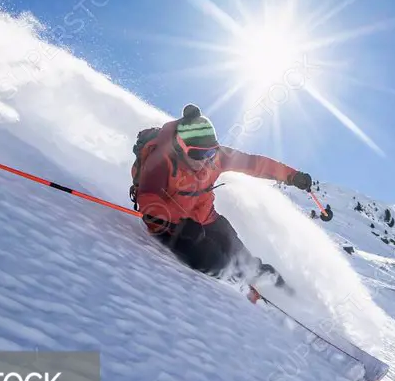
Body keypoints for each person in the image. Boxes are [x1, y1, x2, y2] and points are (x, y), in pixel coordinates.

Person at [130, 104, 313, 293]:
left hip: (205, 217)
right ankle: (241, 295)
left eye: (210, 152)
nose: (205, 159)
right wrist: (179, 223)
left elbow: (255, 164)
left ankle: (287, 293)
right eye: (198, 153)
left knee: (242, 257)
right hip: (168, 224)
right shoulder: (161, 160)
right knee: (212, 261)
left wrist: (292, 176)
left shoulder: (216, 157)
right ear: (180, 146)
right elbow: (148, 200)